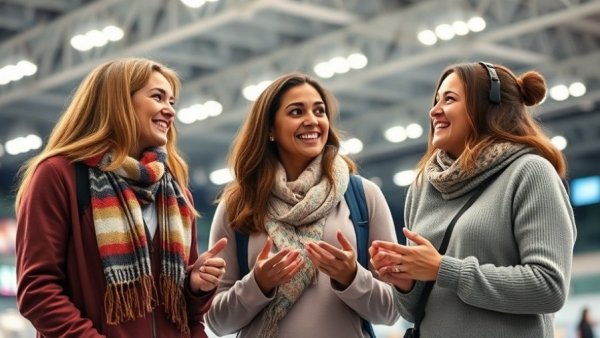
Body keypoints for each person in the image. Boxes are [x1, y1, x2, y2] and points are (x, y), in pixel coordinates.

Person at [15, 57, 227, 338]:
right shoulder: (59, 175)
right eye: (158, 97)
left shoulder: (175, 191)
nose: (170, 111)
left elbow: (186, 315)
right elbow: (38, 290)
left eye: (172, 102)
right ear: (119, 102)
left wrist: (194, 287)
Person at [369, 62, 576, 337]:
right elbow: (411, 310)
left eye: (449, 99)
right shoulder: (424, 186)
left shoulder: (530, 172)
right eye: (436, 100)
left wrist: (444, 269)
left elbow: (549, 287)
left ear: (487, 106)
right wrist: (404, 282)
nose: (434, 111)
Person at [204, 72, 400, 338]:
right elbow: (216, 321)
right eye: (296, 112)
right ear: (270, 129)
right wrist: (257, 285)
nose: (312, 120)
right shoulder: (238, 204)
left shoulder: (364, 196)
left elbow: (391, 309)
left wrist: (353, 277)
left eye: (319, 111)